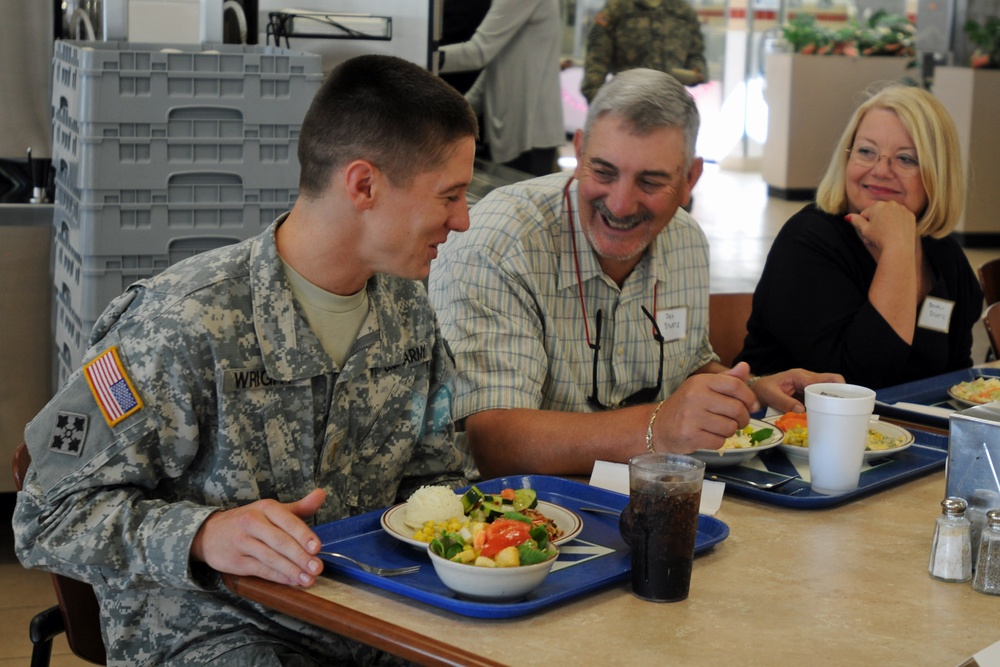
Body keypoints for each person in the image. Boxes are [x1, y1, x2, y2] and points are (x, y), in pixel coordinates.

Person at [13, 54, 478, 666]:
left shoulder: (408, 315)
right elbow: (45, 514)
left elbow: (436, 481)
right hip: (213, 630)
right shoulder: (180, 324)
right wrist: (204, 535)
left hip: (372, 622)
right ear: (362, 185)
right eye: (450, 195)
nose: (464, 220)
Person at [428, 68, 839, 479]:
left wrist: (745, 392)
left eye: (650, 181)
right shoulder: (501, 241)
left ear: (689, 179)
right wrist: (657, 428)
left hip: (652, 497)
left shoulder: (685, 240)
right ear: (580, 150)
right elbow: (497, 443)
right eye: (603, 172)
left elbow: (685, 368)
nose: (621, 204)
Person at [735, 84, 983, 389]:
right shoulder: (807, 242)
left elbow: (956, 377)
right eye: (866, 151)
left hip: (907, 430)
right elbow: (855, 382)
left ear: (938, 172)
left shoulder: (944, 255)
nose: (881, 170)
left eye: (905, 159)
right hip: (793, 427)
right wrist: (897, 248)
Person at [437, 0, 565, 177]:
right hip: (520, 131)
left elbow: (478, 52)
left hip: (528, 135)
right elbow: (495, 67)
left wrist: (424, 57)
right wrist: (460, 112)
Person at [580, 0, 708, 103]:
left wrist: (696, 72)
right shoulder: (617, 8)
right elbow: (596, 60)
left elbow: (696, 54)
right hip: (628, 105)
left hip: (671, 107)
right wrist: (599, 105)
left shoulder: (683, 11)